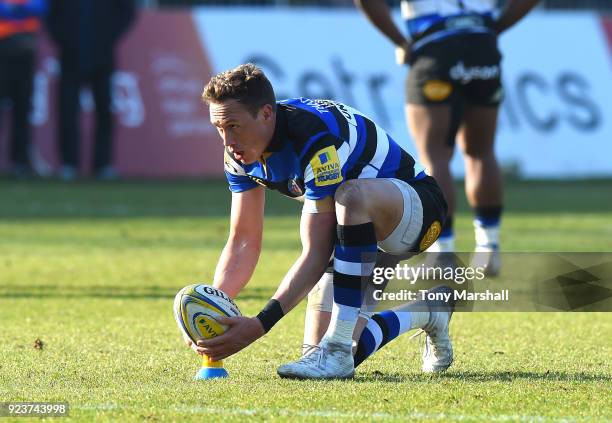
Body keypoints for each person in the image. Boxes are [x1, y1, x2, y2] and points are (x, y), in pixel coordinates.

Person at [185, 63, 455, 380]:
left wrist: (260, 324)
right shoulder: (238, 154)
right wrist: (215, 309)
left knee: (350, 197)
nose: (227, 139)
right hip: (356, 231)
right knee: (317, 357)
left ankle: (339, 346)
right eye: (219, 128)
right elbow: (243, 241)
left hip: (416, 210)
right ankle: (429, 311)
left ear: (267, 114)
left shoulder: (312, 136)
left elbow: (316, 250)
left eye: (233, 126)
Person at [354, 0, 540, 274]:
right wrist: (494, 29)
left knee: (435, 155)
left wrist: (402, 42)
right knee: (481, 152)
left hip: (434, 48)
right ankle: (489, 249)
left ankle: (442, 252)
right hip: (482, 47)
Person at [45, 0, 135, 181]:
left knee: (104, 110)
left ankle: (103, 164)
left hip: (102, 56)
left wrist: (109, 36)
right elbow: (50, 14)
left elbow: (127, 12)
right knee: (67, 111)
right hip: (70, 56)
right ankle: (69, 164)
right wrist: (63, 38)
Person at [0, 0, 47, 177]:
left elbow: (41, 7)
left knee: (22, 106)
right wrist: (19, 10)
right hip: (2, 47)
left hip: (25, 48)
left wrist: (14, 9)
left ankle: (20, 161)